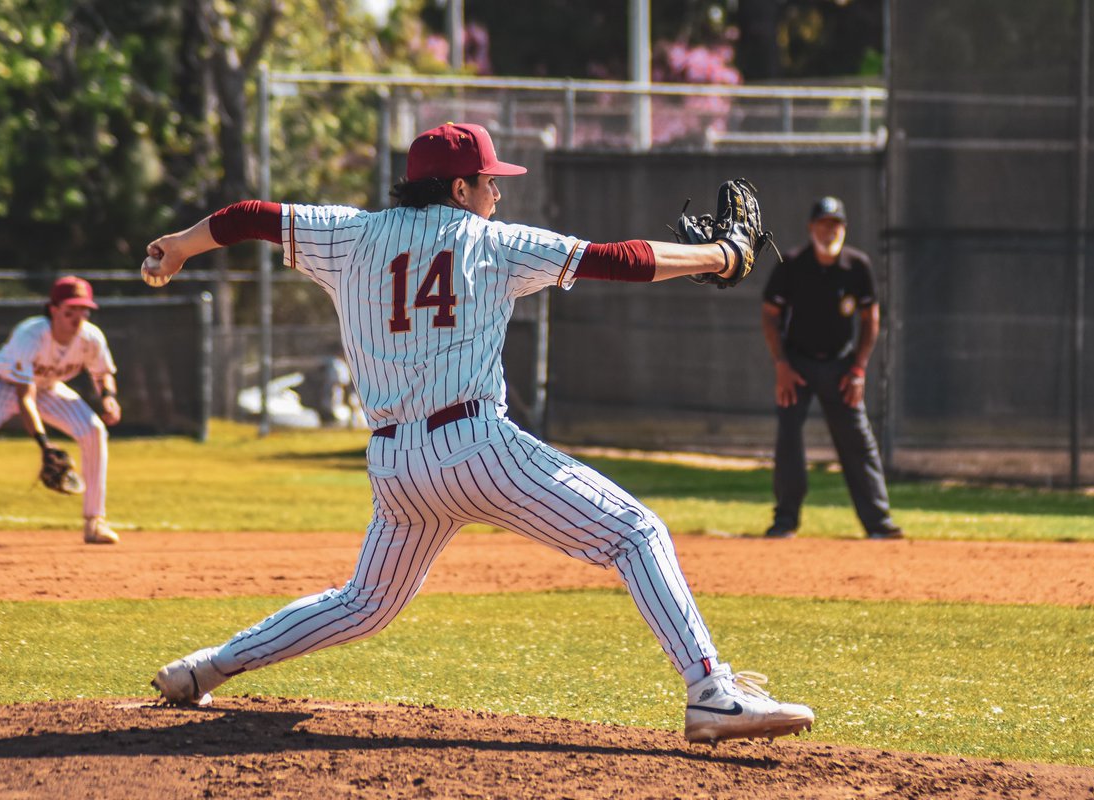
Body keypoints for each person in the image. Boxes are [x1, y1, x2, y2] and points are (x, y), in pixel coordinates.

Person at [143, 121, 814, 745]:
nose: (496, 191)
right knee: (634, 532)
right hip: (474, 448)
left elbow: (247, 218)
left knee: (364, 604)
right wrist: (719, 256)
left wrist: (177, 247)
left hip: (394, 466)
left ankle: (206, 668)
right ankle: (710, 690)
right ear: (459, 188)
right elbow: (621, 259)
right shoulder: (492, 242)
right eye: (489, 180)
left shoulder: (347, 235)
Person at [760, 196, 902, 540]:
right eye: (823, 224)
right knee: (789, 439)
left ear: (844, 229)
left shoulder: (857, 266)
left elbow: (871, 318)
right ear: (811, 228)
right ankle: (785, 521)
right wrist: (781, 364)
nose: (829, 230)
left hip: (841, 364)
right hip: (797, 364)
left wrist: (858, 370)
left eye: (836, 224)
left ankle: (878, 523)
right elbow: (769, 313)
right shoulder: (793, 263)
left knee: (858, 439)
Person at [0, 276, 122, 544]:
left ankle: (95, 522)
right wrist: (44, 444)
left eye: (83, 310)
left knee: (94, 430)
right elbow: (24, 397)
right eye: (70, 310)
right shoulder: (30, 334)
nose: (78, 317)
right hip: (0, 386)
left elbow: (103, 373)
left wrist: (108, 397)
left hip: (47, 388)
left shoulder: (90, 337)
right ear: (53, 309)